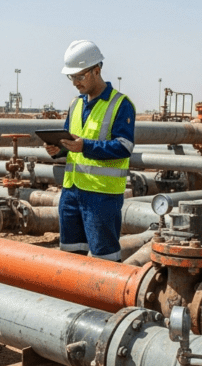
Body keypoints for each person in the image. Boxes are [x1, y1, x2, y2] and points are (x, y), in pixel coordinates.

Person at [43, 39, 135, 261]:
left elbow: (124, 147)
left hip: (102, 195)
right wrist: (58, 150)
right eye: (71, 77)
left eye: (80, 76)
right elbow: (69, 144)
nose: (75, 82)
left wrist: (86, 146)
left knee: (106, 260)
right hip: (71, 192)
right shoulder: (76, 105)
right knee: (70, 257)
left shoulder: (120, 104)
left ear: (97, 70)